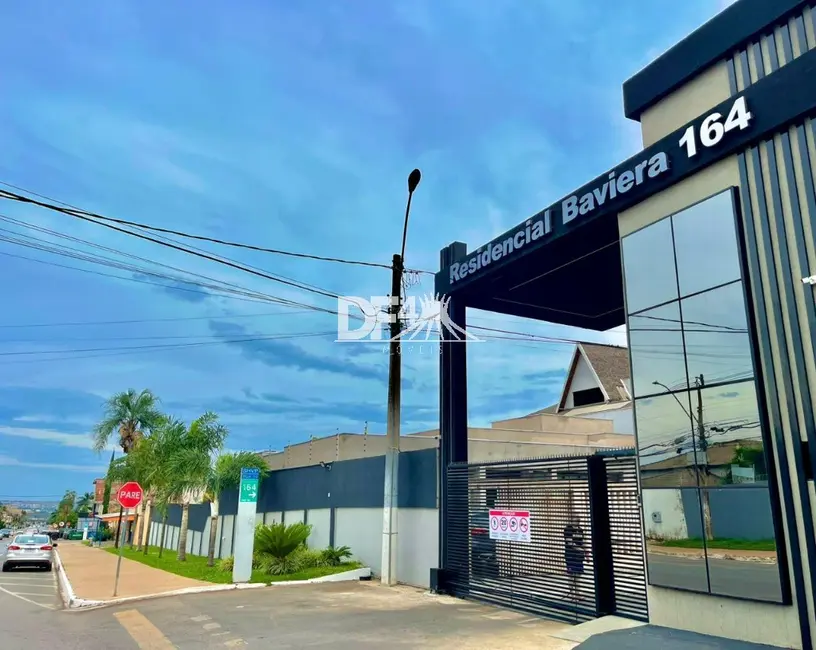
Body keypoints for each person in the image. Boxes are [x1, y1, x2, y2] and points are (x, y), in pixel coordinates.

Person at [563, 517, 586, 602]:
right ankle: (573, 594)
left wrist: (586, 551)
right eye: (576, 521)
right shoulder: (568, 529)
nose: (577, 522)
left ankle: (578, 593)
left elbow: (582, 542)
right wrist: (580, 549)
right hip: (571, 555)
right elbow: (569, 542)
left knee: (578, 574)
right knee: (571, 574)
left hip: (579, 556)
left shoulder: (580, 530)